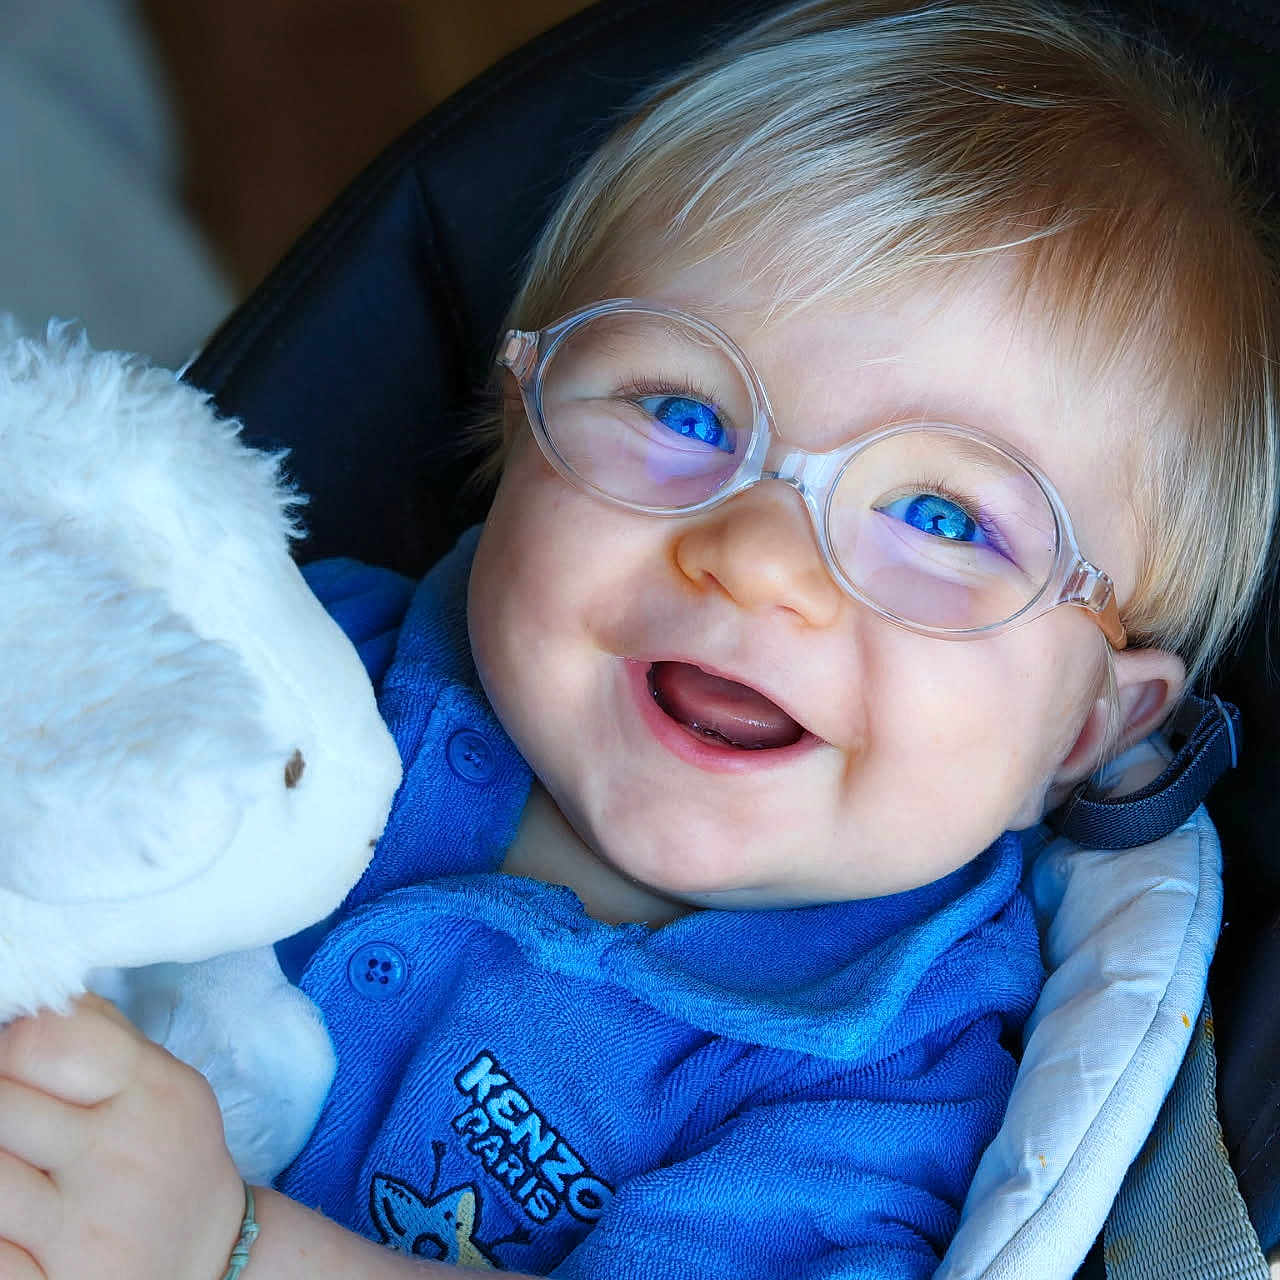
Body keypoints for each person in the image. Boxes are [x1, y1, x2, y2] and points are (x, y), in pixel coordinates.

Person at [0, 0, 1275, 1277]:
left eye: (941, 517)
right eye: (683, 412)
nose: (760, 557)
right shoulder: (299, 663)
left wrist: (226, 1246)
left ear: (1083, 728)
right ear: (517, 427)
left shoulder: (880, 1087)